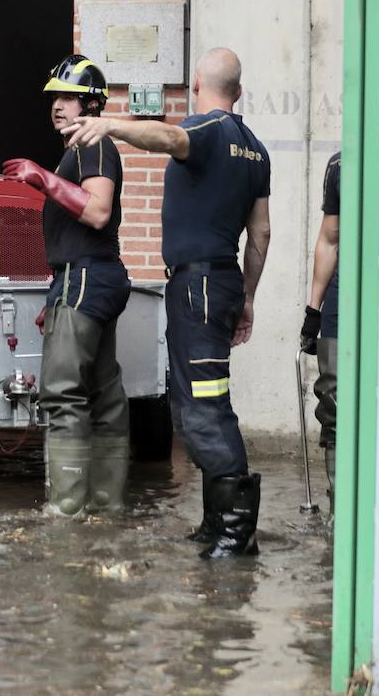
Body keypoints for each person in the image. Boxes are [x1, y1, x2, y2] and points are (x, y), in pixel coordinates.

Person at [65, 47, 271, 558]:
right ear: (239, 91)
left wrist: (111, 125)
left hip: (196, 285)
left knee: (204, 405)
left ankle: (234, 532)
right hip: (221, 283)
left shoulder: (204, 130)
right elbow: (261, 233)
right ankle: (214, 520)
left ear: (197, 82)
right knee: (201, 398)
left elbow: (172, 137)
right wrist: (246, 296)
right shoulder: (256, 150)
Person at [2, 55, 131, 517]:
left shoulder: (91, 145)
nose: (58, 105)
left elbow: (97, 211)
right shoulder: (80, 150)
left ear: (92, 104)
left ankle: (67, 509)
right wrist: (58, 295)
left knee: (62, 394)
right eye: (54, 97)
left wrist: (42, 178)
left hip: (85, 277)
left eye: (69, 97)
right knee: (103, 394)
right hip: (88, 279)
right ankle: (106, 505)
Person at [301, 152, 340, 510]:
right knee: (333, 402)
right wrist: (314, 311)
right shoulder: (342, 165)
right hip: (341, 303)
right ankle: (338, 507)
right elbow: (329, 240)